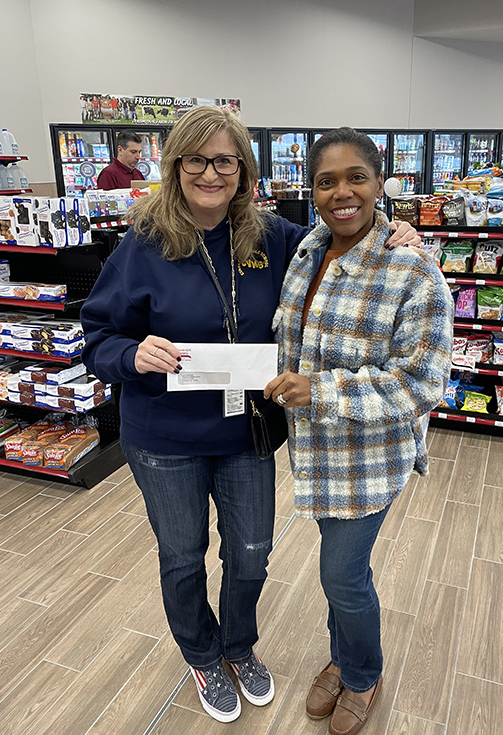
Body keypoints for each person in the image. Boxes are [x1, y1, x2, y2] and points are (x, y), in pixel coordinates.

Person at [80, 107, 419, 724]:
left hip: (247, 430)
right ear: (176, 165)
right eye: (197, 160)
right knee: (183, 555)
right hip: (164, 437)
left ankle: (239, 645)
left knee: (251, 552)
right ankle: (203, 654)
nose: (212, 173)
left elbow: (341, 232)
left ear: (244, 169)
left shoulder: (272, 237)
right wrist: (132, 352)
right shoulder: (142, 246)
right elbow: (97, 337)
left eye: (225, 160)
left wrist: (396, 231)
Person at [264, 128, 453, 735]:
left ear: (379, 183)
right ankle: (342, 658)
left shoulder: (414, 270)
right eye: (326, 181)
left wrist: (320, 391)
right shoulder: (307, 250)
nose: (341, 192)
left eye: (356, 178)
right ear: (311, 190)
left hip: (369, 459)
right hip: (314, 454)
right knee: (335, 569)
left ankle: (363, 675)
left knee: (342, 574)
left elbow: (420, 385)